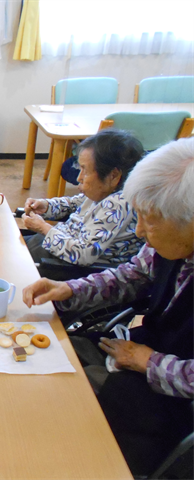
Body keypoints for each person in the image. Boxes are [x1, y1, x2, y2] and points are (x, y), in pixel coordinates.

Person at [22, 137, 194, 476]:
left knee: (72, 401)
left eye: (151, 221)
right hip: (146, 350)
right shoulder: (168, 244)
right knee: (54, 360)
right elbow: (130, 276)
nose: (141, 232)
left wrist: (150, 362)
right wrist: (69, 289)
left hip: (171, 397)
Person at [22, 129, 144, 280]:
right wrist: (46, 206)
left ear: (113, 176)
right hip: (56, 246)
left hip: (65, 266)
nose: (79, 178)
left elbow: (83, 254)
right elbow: (74, 202)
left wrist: (44, 228)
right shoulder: (102, 191)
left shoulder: (118, 205)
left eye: (85, 171)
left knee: (2, 260)